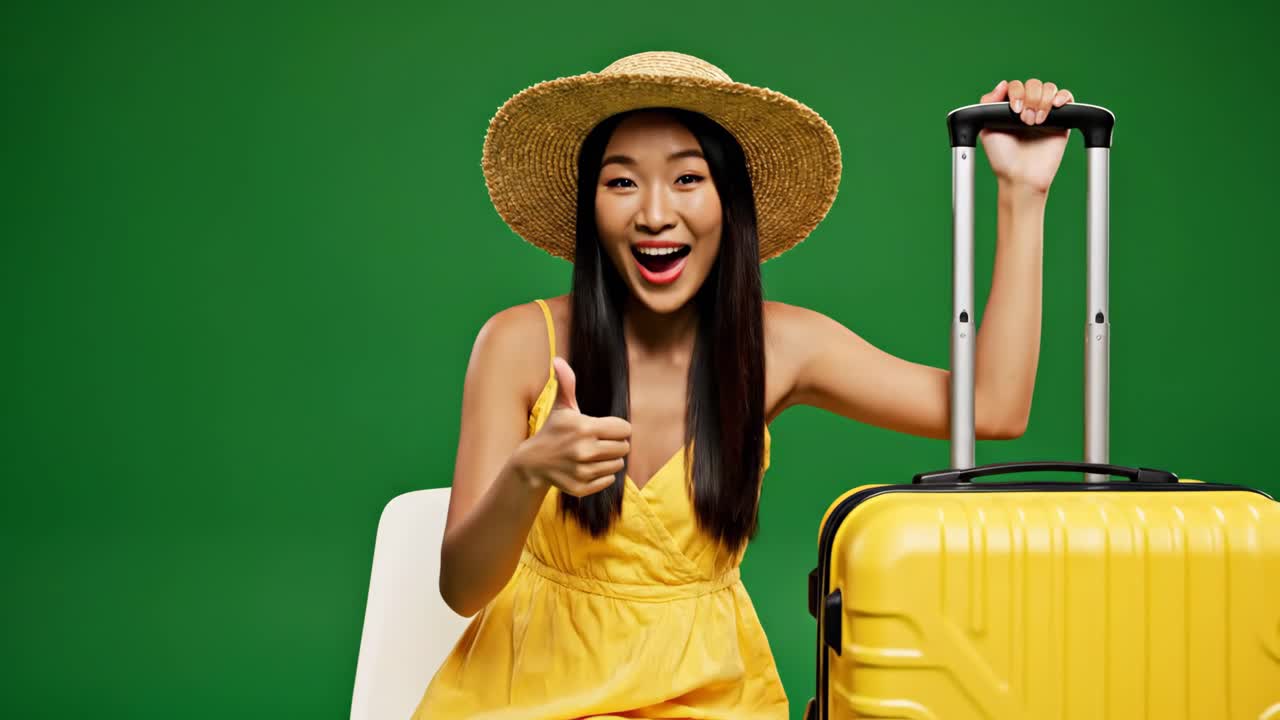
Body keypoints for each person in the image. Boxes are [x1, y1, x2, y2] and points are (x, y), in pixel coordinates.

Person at [412, 50, 1073, 719]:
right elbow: (463, 590)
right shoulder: (519, 343)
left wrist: (1023, 195)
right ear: (590, 209)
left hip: (706, 701)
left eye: (687, 179)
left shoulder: (780, 346)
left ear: (729, 202)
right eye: (621, 183)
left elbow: (993, 408)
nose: (654, 214)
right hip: (530, 700)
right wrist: (528, 474)